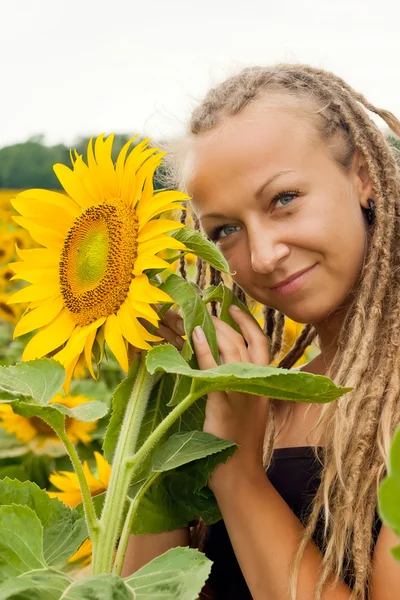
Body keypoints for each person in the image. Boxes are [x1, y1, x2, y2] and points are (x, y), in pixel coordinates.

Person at [122, 64, 400, 599]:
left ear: (362, 177)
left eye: (284, 199)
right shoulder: (251, 406)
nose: (263, 256)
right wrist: (164, 407)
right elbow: (145, 589)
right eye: (225, 230)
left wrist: (237, 474)